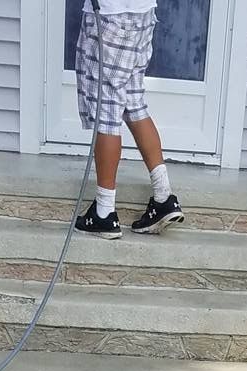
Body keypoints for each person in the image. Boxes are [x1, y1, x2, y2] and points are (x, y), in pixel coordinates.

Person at [74, 1, 185, 238]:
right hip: (142, 15)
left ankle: (104, 213)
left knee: (106, 113)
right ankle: (164, 198)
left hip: (110, 16)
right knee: (132, 103)